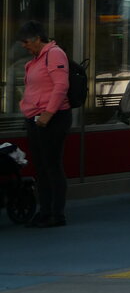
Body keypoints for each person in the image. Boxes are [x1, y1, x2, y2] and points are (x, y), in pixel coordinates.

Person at [17, 21, 71, 228]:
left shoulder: (54, 54)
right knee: (41, 167)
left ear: (38, 38)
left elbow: (61, 86)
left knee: (52, 165)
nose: (23, 45)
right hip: (35, 118)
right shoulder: (37, 58)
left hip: (52, 118)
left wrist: (48, 113)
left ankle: (56, 213)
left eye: (26, 41)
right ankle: (45, 210)